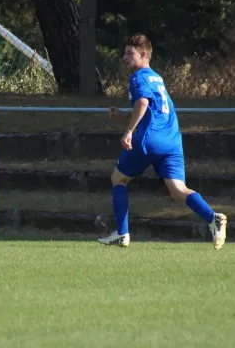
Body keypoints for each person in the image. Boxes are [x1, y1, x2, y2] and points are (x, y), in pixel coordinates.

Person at [97, 34, 227, 249]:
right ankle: (213, 218)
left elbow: (142, 102)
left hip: (150, 139)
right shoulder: (156, 77)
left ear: (144, 54)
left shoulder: (138, 77)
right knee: (178, 190)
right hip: (172, 141)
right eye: (125, 52)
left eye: (130, 53)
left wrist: (128, 131)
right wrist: (122, 113)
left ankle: (122, 233)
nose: (124, 57)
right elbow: (151, 108)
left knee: (117, 179)